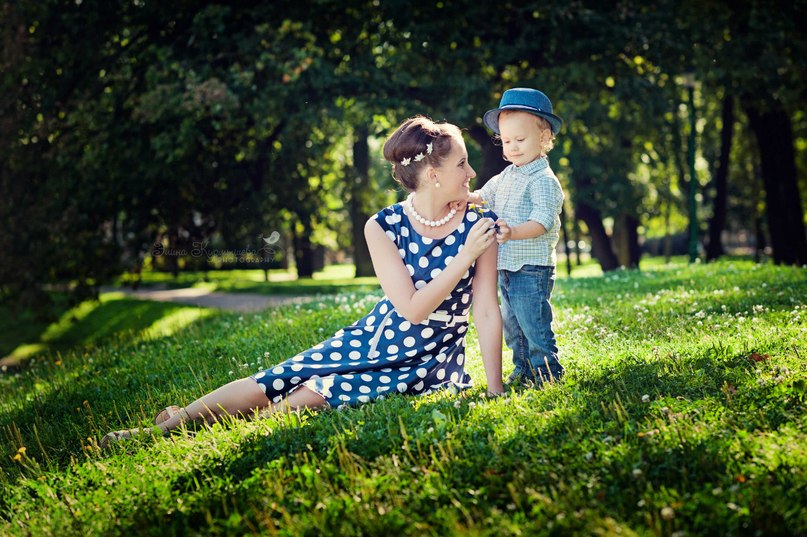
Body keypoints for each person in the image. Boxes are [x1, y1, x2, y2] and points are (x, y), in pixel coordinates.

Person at [102, 116, 504, 447]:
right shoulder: (383, 225)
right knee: (276, 378)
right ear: (433, 174)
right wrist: (463, 256)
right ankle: (158, 432)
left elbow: (485, 310)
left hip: (429, 356)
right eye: (462, 164)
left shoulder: (476, 223)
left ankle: (205, 430)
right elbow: (412, 309)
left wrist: (495, 388)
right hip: (379, 334)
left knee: (310, 395)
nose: (471, 172)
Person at [467, 87, 565, 386]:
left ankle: (547, 372)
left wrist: (513, 231)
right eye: (506, 141)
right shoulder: (507, 175)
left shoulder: (543, 180)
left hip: (531, 267)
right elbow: (483, 196)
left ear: (544, 137)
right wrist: (464, 198)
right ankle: (523, 369)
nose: (512, 147)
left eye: (520, 140)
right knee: (513, 325)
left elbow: (542, 222)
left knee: (533, 323)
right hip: (507, 266)